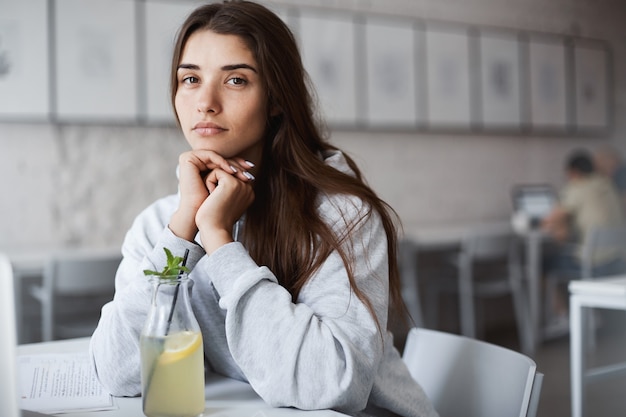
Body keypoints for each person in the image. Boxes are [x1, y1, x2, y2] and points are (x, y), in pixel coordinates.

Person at [89, 2, 438, 417]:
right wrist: (184, 230)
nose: (205, 102)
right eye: (190, 79)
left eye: (236, 80)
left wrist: (219, 242)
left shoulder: (343, 215)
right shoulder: (162, 224)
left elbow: (330, 384)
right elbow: (119, 371)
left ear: (275, 98)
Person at [541, 148, 625, 322]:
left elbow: (550, 220)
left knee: (542, 264)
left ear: (573, 172)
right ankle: (588, 317)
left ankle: (562, 316)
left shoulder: (577, 187)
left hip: (594, 264)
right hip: (618, 261)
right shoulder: (607, 184)